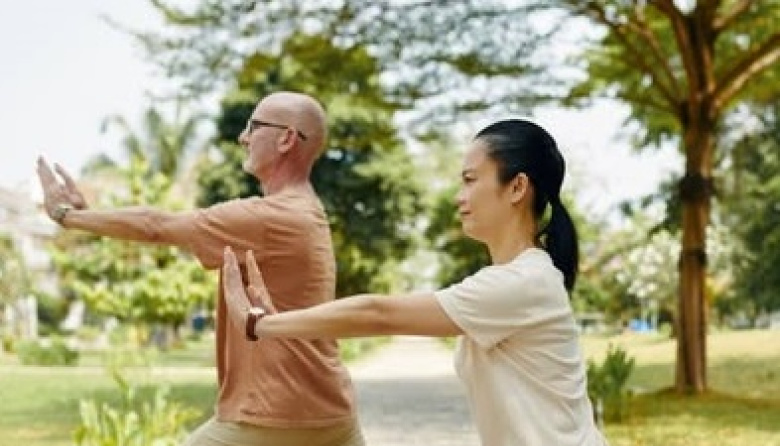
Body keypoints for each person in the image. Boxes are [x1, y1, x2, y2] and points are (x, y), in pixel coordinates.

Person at [222, 119, 610, 446]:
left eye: (471, 180)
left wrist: (261, 324)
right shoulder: (515, 279)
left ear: (516, 187)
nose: (459, 197)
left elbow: (380, 314)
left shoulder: (525, 281)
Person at [36, 91, 365, 446]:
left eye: (253, 126)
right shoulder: (307, 211)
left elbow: (155, 225)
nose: (243, 137)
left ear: (286, 138)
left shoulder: (270, 217)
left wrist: (69, 217)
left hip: (275, 414)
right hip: (331, 411)